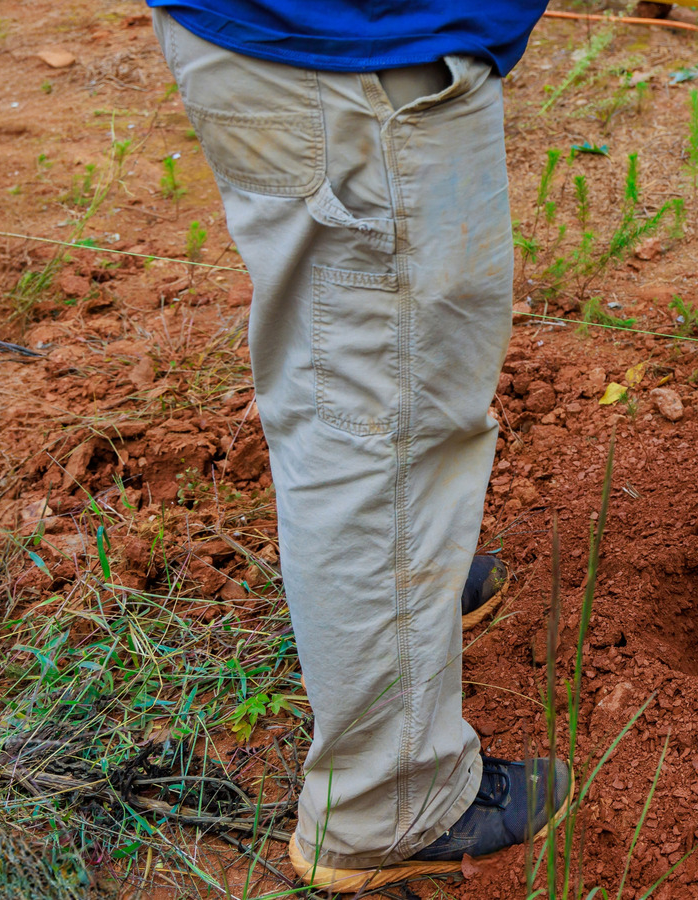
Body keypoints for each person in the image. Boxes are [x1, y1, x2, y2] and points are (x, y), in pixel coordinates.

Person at [145, 1, 571, 892]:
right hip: (358, 70)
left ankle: (400, 602)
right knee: (383, 429)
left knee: (355, 389)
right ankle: (392, 804)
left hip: (309, 48)